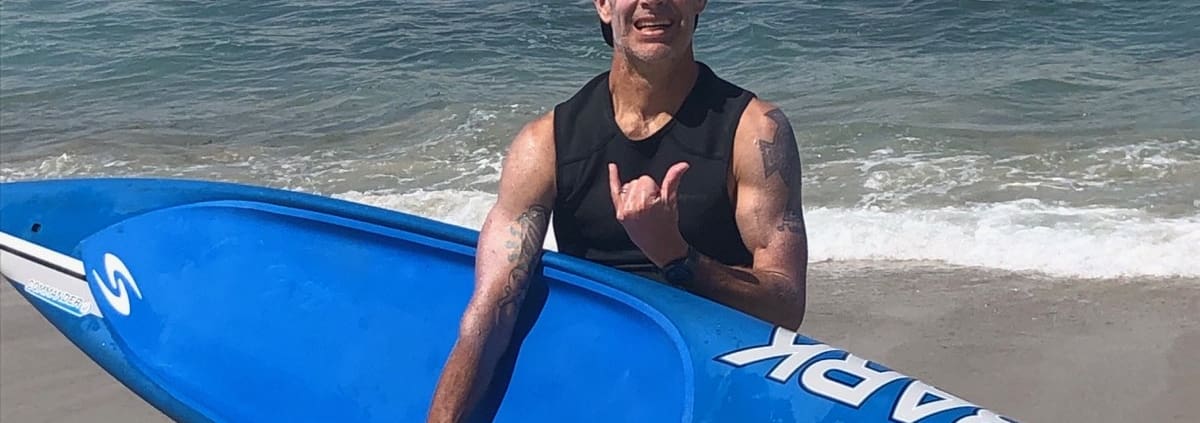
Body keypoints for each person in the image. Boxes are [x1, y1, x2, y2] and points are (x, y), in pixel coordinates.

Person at [426, 0, 807, 421]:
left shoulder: (755, 132)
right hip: (600, 380)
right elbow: (492, 310)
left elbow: (785, 308)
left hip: (710, 383)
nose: (653, 1)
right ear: (604, 5)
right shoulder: (545, 144)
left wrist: (677, 257)